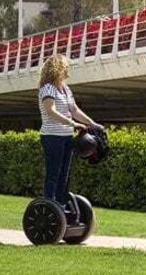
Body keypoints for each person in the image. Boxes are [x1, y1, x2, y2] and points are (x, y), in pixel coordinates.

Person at [38, 55, 103, 207]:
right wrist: (73, 124)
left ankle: (60, 204)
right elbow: (50, 111)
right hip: (52, 137)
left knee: (65, 174)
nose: (67, 70)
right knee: (54, 173)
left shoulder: (66, 89)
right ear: (57, 69)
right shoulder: (48, 88)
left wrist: (92, 124)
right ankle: (50, 205)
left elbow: (74, 110)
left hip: (67, 136)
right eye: (65, 67)